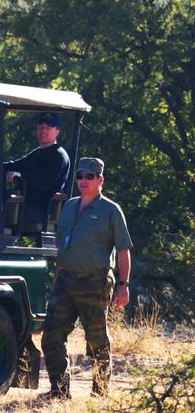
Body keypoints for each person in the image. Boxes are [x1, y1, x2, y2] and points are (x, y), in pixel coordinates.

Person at [42, 157, 132, 399]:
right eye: (80, 175)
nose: (83, 180)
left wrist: (123, 285)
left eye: (89, 176)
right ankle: (59, 392)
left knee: (96, 341)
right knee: (51, 336)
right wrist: (57, 276)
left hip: (95, 281)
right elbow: (63, 244)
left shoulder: (111, 210)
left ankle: (100, 392)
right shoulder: (70, 205)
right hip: (66, 280)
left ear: (100, 180)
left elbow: (123, 249)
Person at [4, 112, 70, 225]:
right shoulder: (37, 152)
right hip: (25, 205)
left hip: (41, 211)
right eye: (41, 127)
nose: (43, 131)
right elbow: (15, 165)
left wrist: (20, 176)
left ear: (57, 131)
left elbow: (45, 183)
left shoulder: (58, 156)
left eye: (48, 127)